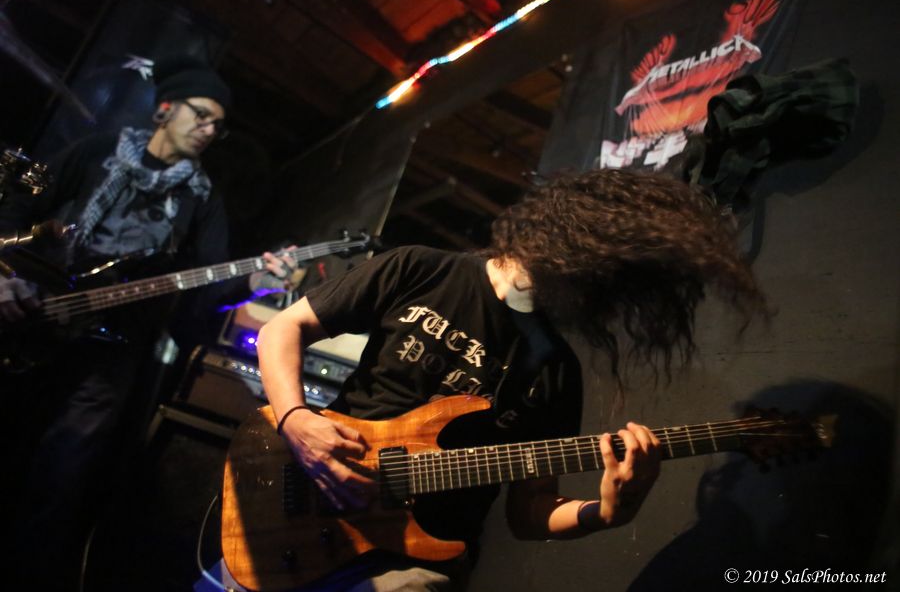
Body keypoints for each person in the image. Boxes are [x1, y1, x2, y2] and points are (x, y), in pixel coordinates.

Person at [254, 168, 768, 590]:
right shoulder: (422, 269)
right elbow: (283, 328)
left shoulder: (555, 369)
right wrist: (294, 418)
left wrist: (608, 511)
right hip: (305, 498)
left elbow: (530, 511)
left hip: (412, 560)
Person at [0, 54, 295, 590]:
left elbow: (207, 287)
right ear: (165, 109)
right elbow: (16, 210)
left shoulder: (202, 201)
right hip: (27, 318)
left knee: (62, 476)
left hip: (110, 353)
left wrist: (257, 281)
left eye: (218, 126)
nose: (210, 130)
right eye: (202, 115)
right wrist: (4, 276)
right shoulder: (96, 152)